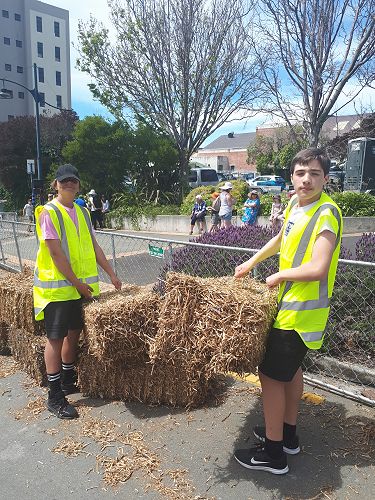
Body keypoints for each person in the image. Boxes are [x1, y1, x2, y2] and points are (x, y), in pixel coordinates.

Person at [233, 148, 342, 475]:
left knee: (269, 376)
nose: (306, 179)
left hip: (300, 312)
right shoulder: (296, 204)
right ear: (291, 177)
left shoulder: (326, 213)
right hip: (289, 307)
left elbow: (319, 267)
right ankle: (288, 435)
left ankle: (274, 453)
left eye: (314, 173)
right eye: (300, 173)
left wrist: (279, 276)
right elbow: (282, 239)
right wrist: (252, 261)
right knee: (291, 372)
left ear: (325, 178)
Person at [33, 164, 122, 420]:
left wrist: (112, 274)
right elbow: (55, 254)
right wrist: (76, 284)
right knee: (55, 339)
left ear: (78, 185)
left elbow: (94, 246)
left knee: (74, 335)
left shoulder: (82, 212)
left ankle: (68, 379)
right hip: (58, 290)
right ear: (56, 185)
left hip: (79, 289)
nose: (69, 184)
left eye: (73, 180)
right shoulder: (49, 212)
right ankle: (54, 396)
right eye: (64, 181)